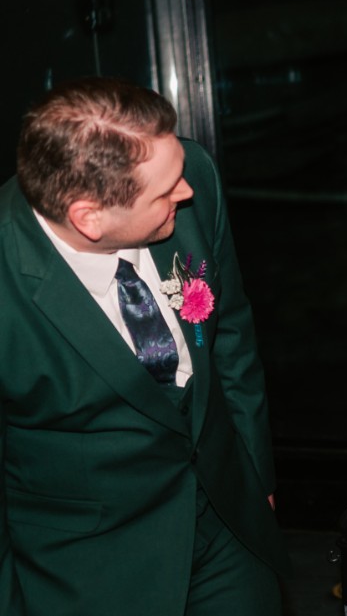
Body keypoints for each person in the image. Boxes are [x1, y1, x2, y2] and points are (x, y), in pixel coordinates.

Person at [0, 77, 290, 616]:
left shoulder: (188, 172)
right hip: (91, 561)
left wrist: (256, 477)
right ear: (88, 217)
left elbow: (231, 336)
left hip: (227, 521)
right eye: (164, 193)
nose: (186, 192)